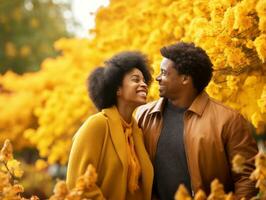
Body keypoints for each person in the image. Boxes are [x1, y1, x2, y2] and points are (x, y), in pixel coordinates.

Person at [136, 42, 258, 199]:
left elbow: (247, 178)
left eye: (164, 73)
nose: (158, 78)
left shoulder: (229, 120)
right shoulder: (142, 116)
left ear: (185, 78)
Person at [66, 51, 153, 200]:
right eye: (135, 79)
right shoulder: (97, 125)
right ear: (117, 89)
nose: (143, 84)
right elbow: (78, 183)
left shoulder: (137, 131)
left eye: (144, 80)